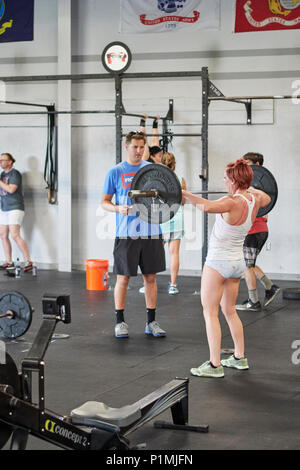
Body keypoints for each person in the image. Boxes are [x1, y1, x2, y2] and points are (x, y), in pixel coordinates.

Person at [182, 158, 271, 378]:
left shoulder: (231, 202)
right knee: (229, 311)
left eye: (226, 177)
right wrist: (249, 185)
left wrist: (184, 194)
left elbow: (207, 206)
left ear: (233, 180)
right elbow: (269, 196)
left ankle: (214, 365)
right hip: (236, 264)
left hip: (217, 263)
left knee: (210, 312)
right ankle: (239, 357)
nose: (223, 180)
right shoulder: (254, 199)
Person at [101, 131, 166, 339]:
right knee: (123, 279)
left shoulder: (153, 171)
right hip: (127, 233)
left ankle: (151, 322)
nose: (139, 151)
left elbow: (165, 196)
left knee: (151, 278)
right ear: (127, 147)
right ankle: (120, 322)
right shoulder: (115, 172)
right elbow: (104, 201)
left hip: (152, 232)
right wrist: (117, 208)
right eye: (135, 147)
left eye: (142, 147)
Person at [236, 152, 280, 311]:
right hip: (259, 230)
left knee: (247, 266)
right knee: (249, 264)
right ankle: (269, 287)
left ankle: (253, 302)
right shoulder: (254, 187)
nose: (245, 165)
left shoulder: (257, 188)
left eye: (248, 163)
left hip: (254, 230)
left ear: (257, 164)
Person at [0, 153, 33, 272]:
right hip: (4, 208)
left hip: (15, 207)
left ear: (10, 162)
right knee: (3, 235)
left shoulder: (15, 174)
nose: (0, 162)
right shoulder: (2, 175)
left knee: (14, 235)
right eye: (0, 160)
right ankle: (9, 262)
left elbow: (11, 189)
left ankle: (29, 261)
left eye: (3, 160)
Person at [160, 152, 186, 294]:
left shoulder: (157, 179)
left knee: (155, 251)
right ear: (174, 164)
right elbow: (183, 201)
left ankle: (148, 284)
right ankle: (173, 285)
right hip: (176, 215)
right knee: (174, 252)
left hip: (161, 217)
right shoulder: (180, 179)